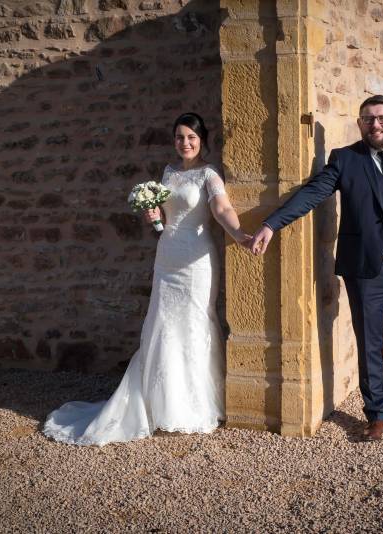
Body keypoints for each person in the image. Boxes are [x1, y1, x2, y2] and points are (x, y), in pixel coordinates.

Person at [249, 95, 383, 444]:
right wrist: (271, 224)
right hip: (365, 271)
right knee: (370, 343)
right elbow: (312, 193)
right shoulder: (345, 160)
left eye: (382, 118)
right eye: (368, 119)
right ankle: (377, 415)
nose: (376, 124)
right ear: (360, 124)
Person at [44, 112, 250, 445]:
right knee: (163, 323)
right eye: (180, 137)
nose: (185, 143)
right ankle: (160, 404)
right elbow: (165, 218)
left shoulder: (209, 174)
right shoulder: (168, 173)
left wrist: (240, 235)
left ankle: (195, 405)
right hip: (167, 255)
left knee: (196, 321)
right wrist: (153, 216)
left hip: (196, 260)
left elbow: (222, 209)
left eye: (191, 138)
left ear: (203, 140)